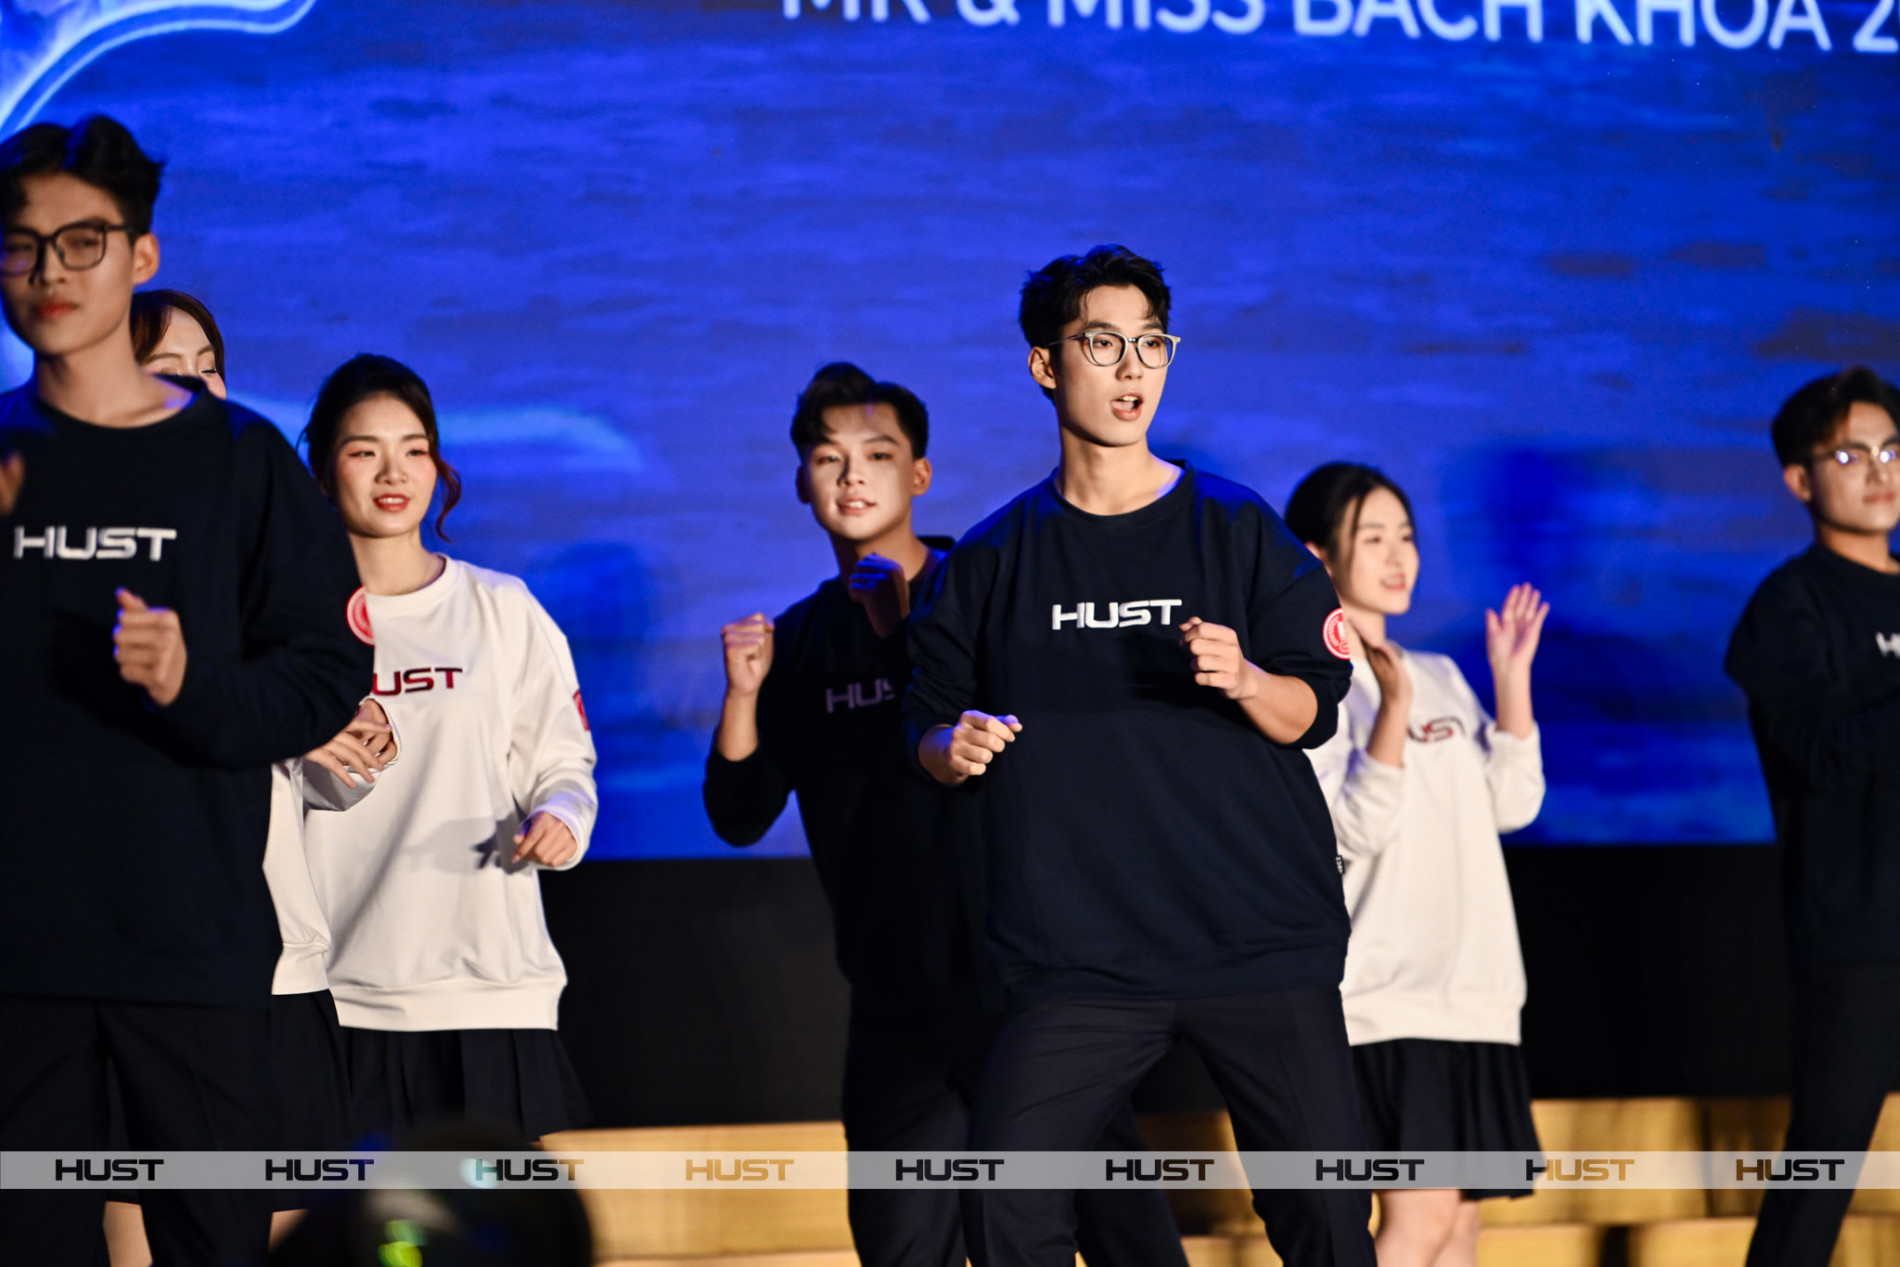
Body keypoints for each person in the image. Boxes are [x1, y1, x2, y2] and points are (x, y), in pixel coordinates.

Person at [903, 244, 1375, 1267]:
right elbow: (925, 727)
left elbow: (1314, 704)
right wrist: (953, 745)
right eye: (1102, 344)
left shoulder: (1237, 527)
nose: (1131, 370)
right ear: (1046, 364)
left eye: (1151, 345)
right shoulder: (988, 559)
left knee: (1329, 1221)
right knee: (1007, 1202)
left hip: (1255, 938)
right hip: (1080, 960)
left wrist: (1247, 678)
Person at [704, 362, 1186, 1267]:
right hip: (897, 1001)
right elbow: (739, 813)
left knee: (1120, 1232)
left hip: (1027, 985)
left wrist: (906, 631)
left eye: (878, 454)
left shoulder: (987, 584)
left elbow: (1047, 746)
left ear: (919, 473)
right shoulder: (799, 639)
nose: (852, 475)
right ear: (802, 483)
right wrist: (740, 694)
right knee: (901, 1244)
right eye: (828, 458)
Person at [0, 115, 371, 1266]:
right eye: (21, 246)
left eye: (82, 242)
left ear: (140, 255)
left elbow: (325, 674)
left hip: (190, 942)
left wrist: (192, 686)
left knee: (216, 1237)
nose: (50, 272)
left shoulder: (239, 459)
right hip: (16, 957)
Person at [93, 289, 399, 1263]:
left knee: (280, 1224)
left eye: (209, 367)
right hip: (128, 955)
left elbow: (327, 768)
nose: (196, 386)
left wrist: (336, 734)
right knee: (137, 1212)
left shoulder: (263, 541)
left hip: (276, 958)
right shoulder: (82, 533)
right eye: (167, 369)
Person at [298, 353, 597, 1141]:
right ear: (322, 469)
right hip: (338, 991)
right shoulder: (287, 624)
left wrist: (562, 816)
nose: (393, 472)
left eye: (414, 448)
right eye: (364, 450)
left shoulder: (502, 607)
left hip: (489, 989)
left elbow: (563, 762)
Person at [1287, 462, 1547, 1267]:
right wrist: (1390, 710)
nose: (1399, 555)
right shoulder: (1310, 689)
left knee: (1459, 1227)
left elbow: (1512, 803)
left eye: (1406, 535)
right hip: (1389, 999)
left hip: (1476, 995)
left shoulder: (1438, 673)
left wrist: (1511, 682)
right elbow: (1352, 829)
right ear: (1319, 555)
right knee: (1423, 1217)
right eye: (1373, 537)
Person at [1728, 368, 1900, 1267]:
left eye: (1892, 450)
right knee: (1823, 1165)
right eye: (1850, 454)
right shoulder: (1789, 605)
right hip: (1859, 927)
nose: (1879, 471)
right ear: (1800, 479)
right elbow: (1815, 753)